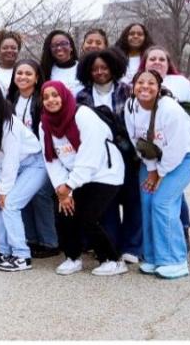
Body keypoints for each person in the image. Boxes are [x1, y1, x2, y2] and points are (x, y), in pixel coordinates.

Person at [39, 81, 126, 276]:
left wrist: (69, 186)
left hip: (105, 173)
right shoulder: (44, 123)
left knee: (86, 215)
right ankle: (72, 257)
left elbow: (91, 155)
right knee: (63, 210)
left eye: (55, 95)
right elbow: (51, 159)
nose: (51, 100)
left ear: (65, 95)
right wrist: (62, 188)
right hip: (75, 176)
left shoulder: (83, 115)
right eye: (46, 97)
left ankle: (113, 259)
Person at [124, 70, 190, 279]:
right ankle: (152, 256)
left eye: (151, 83)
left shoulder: (170, 110)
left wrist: (161, 173)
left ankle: (175, 260)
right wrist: (150, 169)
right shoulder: (130, 106)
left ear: (159, 88)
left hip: (183, 159)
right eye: (140, 82)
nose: (145, 87)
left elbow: (176, 148)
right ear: (133, 86)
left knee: (163, 202)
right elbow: (136, 140)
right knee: (147, 201)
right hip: (152, 160)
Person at [0, 81, 46, 272]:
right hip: (13, 169)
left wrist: (4, 190)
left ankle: (22, 255)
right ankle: (4, 251)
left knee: (10, 204)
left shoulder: (9, 123)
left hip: (34, 165)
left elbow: (11, 159)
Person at [75, 48, 140, 264]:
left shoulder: (128, 91)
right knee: (106, 204)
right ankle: (110, 245)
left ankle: (132, 246)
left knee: (132, 200)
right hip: (100, 158)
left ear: (114, 67)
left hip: (127, 153)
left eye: (104, 67)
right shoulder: (82, 96)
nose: (100, 72)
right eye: (95, 69)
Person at [6, 58, 60, 259]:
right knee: (22, 197)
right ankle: (31, 239)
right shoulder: (9, 100)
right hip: (18, 159)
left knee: (40, 194)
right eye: (19, 73)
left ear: (37, 78)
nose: (23, 77)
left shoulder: (42, 100)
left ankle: (50, 242)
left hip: (42, 158)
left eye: (28, 73)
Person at [40, 30, 81, 94]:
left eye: (63, 43)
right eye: (54, 45)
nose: (59, 48)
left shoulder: (82, 67)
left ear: (71, 47)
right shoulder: (46, 71)